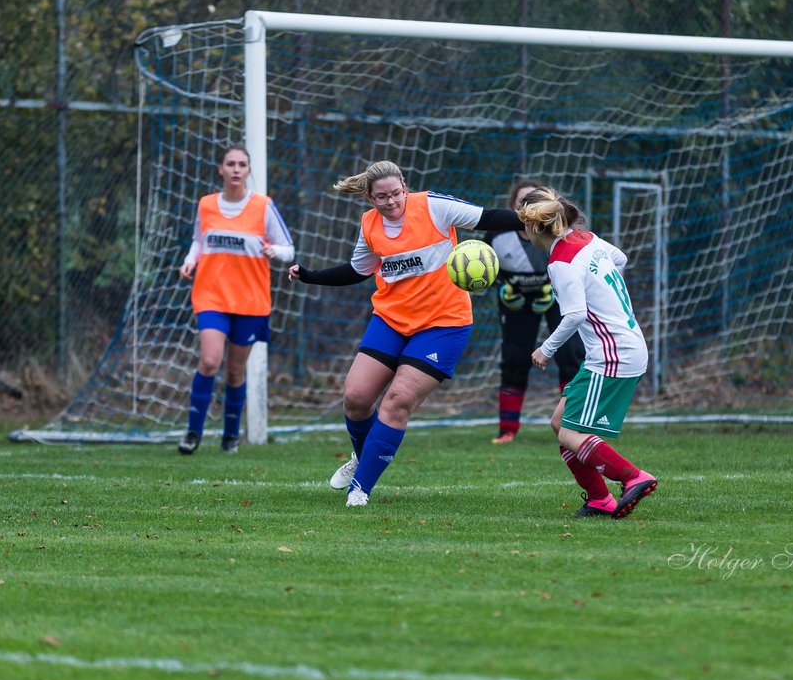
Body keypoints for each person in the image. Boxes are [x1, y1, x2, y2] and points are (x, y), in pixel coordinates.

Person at [287, 160, 525, 507]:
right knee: (355, 397)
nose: (392, 202)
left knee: (397, 401)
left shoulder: (434, 207)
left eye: (397, 194)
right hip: (391, 320)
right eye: (382, 197)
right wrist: (311, 275)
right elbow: (358, 270)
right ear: (370, 198)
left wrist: (530, 218)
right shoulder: (370, 224)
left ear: (405, 187)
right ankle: (362, 456)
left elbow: (487, 218)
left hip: (444, 323)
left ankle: (360, 488)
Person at [517, 187, 657, 519]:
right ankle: (599, 499)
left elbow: (576, 314)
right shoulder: (586, 238)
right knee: (558, 423)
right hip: (620, 347)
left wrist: (545, 349)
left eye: (524, 224)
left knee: (571, 433)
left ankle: (633, 477)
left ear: (536, 227)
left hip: (613, 353)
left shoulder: (560, 263)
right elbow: (619, 259)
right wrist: (602, 286)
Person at [177, 145, 295, 455]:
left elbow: (288, 249)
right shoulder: (206, 205)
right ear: (220, 169)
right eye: (230, 163)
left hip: (250, 302)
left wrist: (275, 252)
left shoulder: (263, 206)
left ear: (249, 170)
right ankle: (192, 433)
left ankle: (230, 435)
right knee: (210, 360)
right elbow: (198, 241)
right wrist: (190, 260)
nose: (236, 169)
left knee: (234, 371)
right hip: (212, 296)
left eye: (242, 164)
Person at [486, 178, 585, 444]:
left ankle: (573, 422)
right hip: (515, 302)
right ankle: (507, 429)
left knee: (571, 354)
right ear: (512, 207)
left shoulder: (558, 234)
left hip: (557, 298)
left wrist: (551, 289)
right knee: (514, 359)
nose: (528, 206)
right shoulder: (496, 235)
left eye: (534, 200)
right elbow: (484, 271)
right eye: (522, 202)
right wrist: (500, 287)